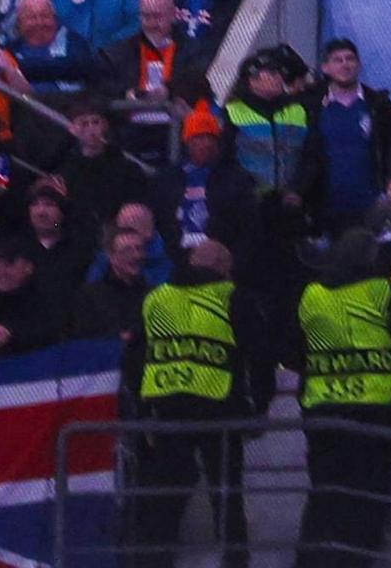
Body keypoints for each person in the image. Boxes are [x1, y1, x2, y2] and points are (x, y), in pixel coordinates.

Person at [127, 236, 246, 568]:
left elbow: (135, 357)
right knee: (227, 499)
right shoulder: (230, 297)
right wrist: (255, 405)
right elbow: (257, 353)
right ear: (223, 267)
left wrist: (143, 403)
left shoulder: (156, 297)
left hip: (166, 412)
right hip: (220, 410)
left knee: (163, 500)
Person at [292, 230, 391, 568]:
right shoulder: (381, 291)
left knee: (325, 497)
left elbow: (297, 349)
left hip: (323, 412)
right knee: (368, 501)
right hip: (371, 412)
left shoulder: (311, 294)